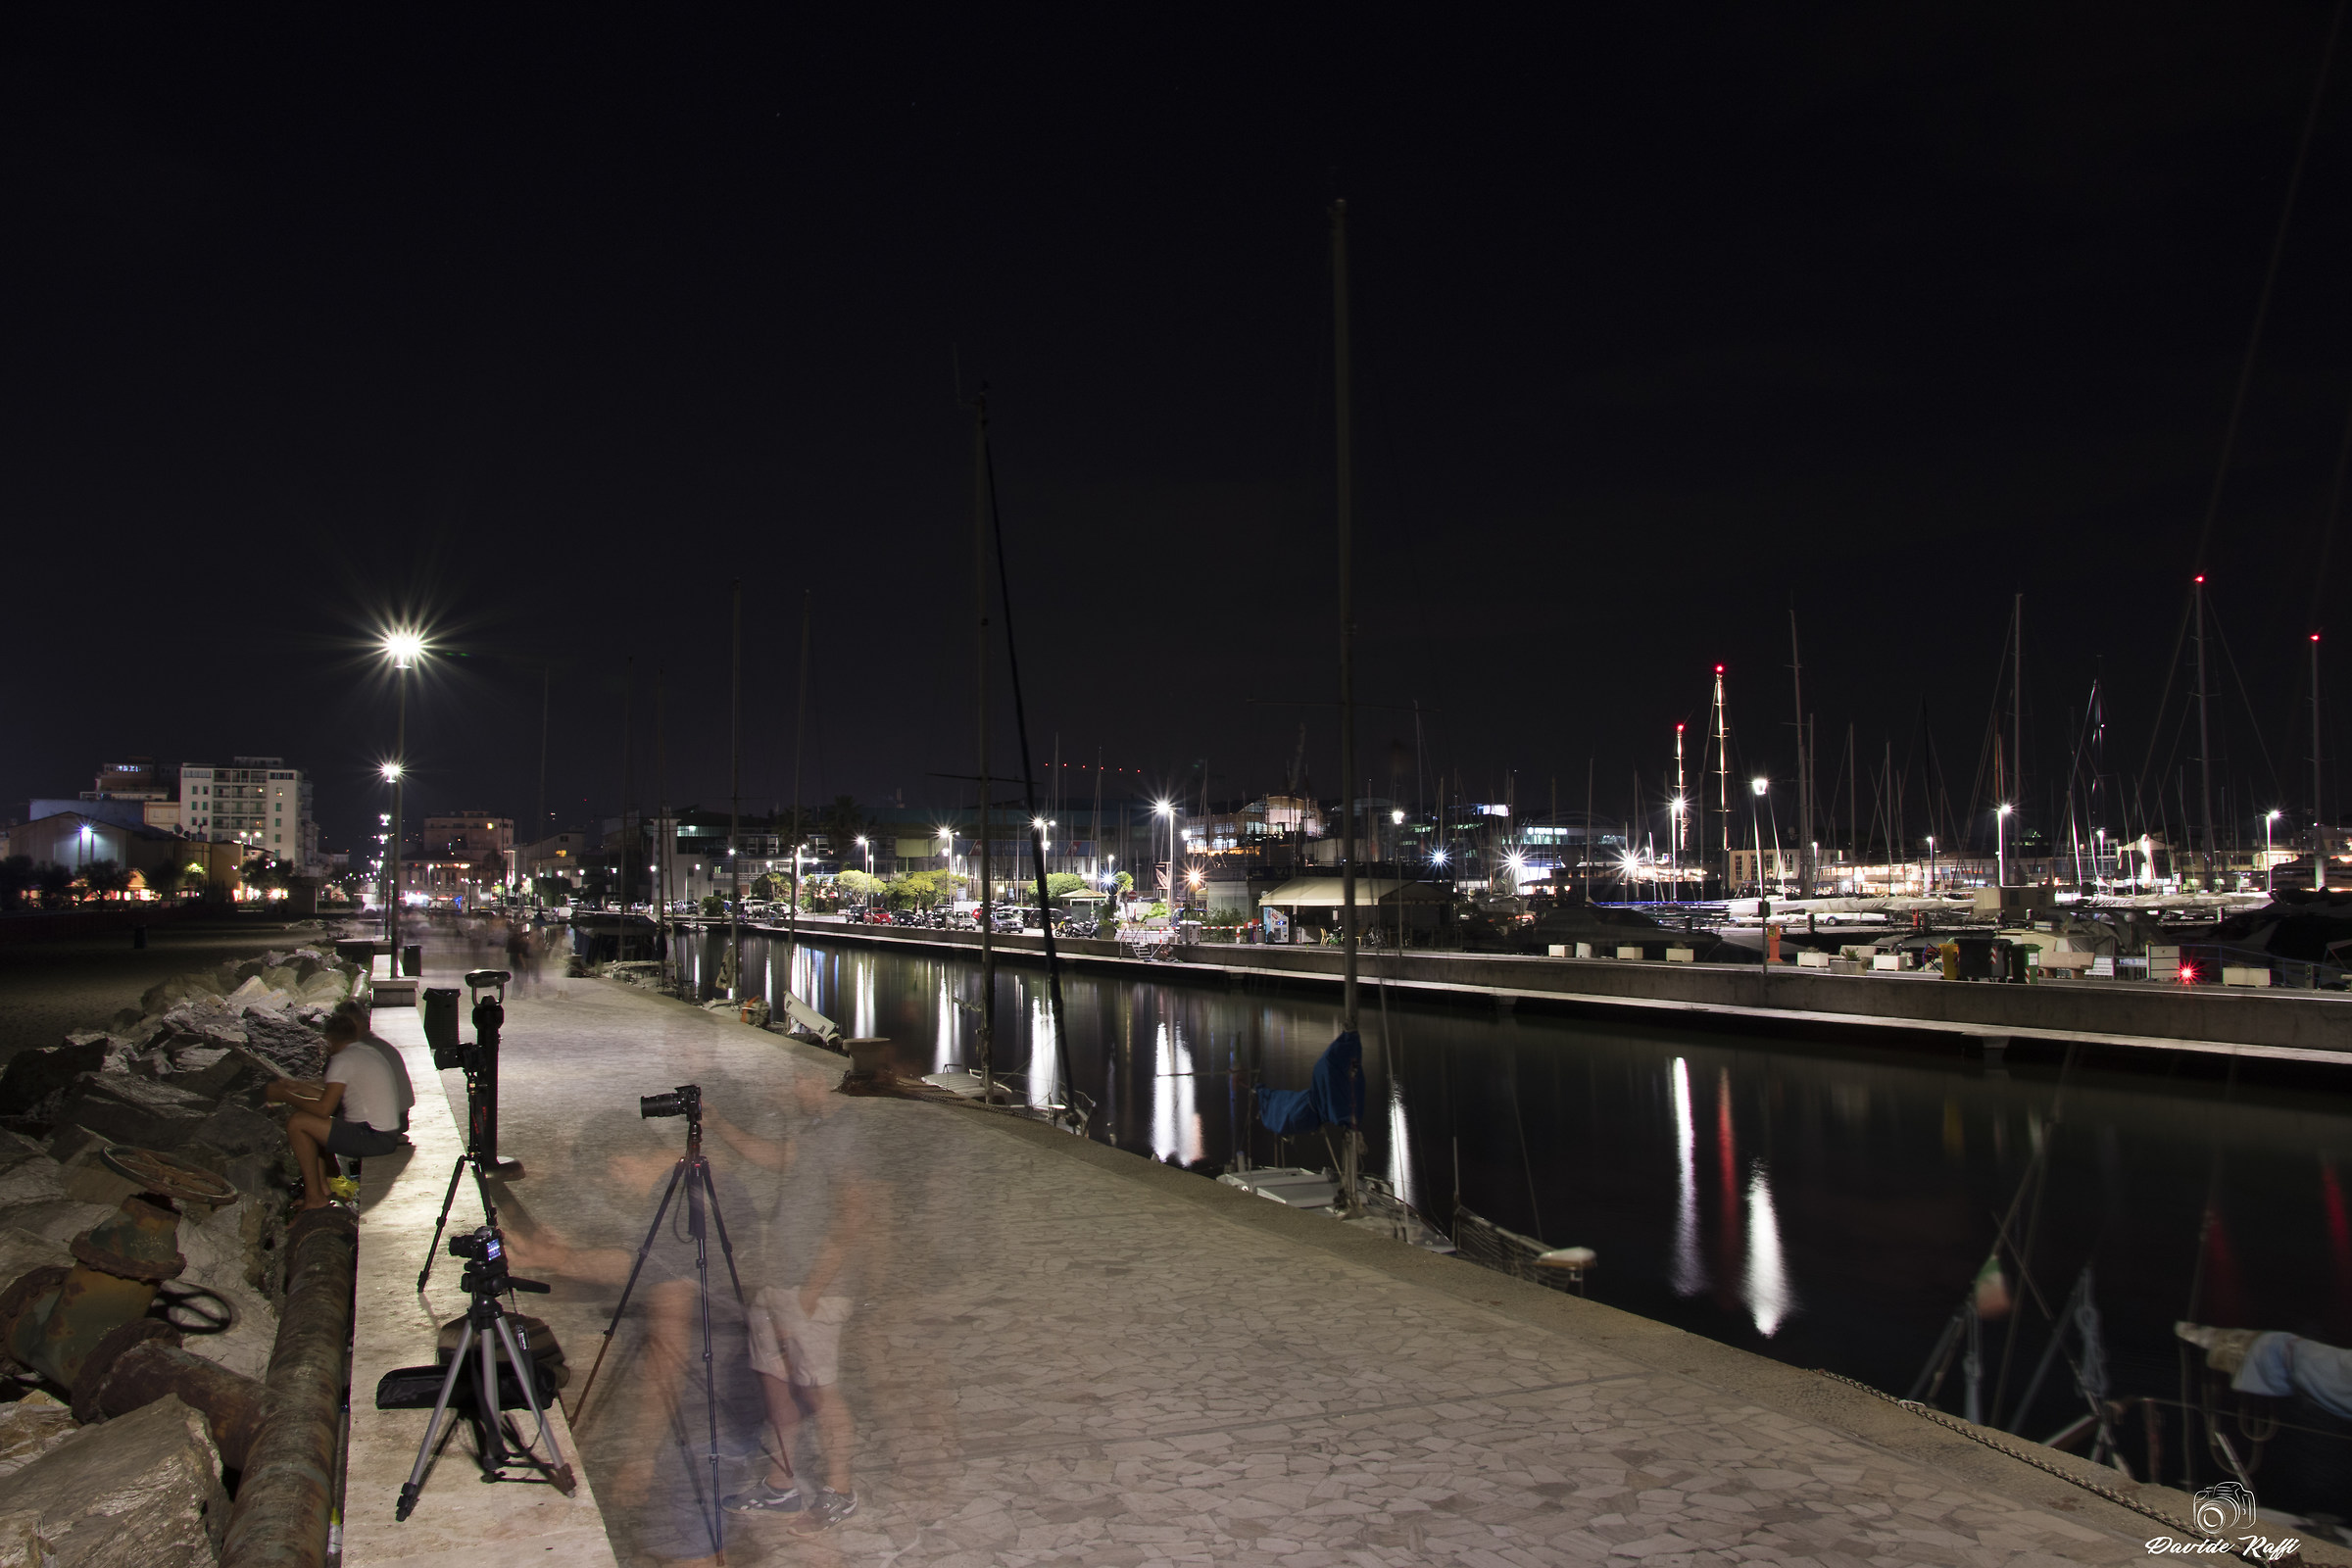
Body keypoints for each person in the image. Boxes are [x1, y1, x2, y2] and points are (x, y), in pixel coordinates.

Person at [710, 1068, 871, 1533]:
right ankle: (780, 1486)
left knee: (822, 1393)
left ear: (824, 1082)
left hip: (813, 1290)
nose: (787, 1086)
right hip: (779, 1282)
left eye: (798, 1078)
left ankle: (839, 1490)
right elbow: (779, 1159)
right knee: (776, 1387)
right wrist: (718, 1124)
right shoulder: (811, 1128)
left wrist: (812, 1289)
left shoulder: (846, 1135)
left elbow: (853, 1213)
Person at [266, 1009, 412, 1208]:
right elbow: (330, 1096)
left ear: (329, 1040)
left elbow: (324, 1108)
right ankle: (322, 1189)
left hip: (372, 1137)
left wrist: (284, 1096)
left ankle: (314, 1198)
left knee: (297, 1122)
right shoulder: (363, 1052)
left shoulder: (341, 1060)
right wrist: (297, 1087)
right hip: (384, 1134)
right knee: (309, 1121)